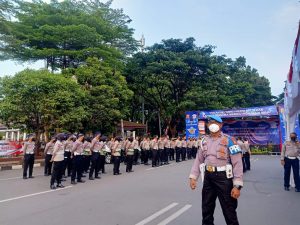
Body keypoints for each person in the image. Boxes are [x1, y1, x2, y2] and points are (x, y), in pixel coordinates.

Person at [189, 115, 243, 225]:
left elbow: (237, 163)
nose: (213, 124)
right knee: (206, 209)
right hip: (208, 177)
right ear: (208, 125)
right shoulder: (204, 141)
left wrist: (237, 186)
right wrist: (193, 177)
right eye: (210, 122)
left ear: (221, 125)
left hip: (224, 179)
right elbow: (198, 160)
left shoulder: (230, 140)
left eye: (216, 122)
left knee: (229, 210)